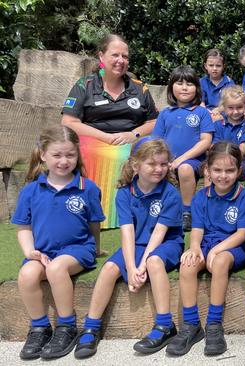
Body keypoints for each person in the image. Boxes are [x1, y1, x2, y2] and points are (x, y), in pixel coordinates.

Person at [74, 138, 184, 358]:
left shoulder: (170, 193)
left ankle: (165, 325)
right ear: (136, 165)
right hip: (136, 243)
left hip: (166, 244)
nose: (159, 169)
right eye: (152, 164)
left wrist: (140, 267)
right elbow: (127, 233)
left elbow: (159, 234)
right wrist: (131, 268)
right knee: (108, 270)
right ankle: (91, 327)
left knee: (153, 262)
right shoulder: (124, 192)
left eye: (163, 164)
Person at [13, 126, 104, 360]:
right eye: (57, 155)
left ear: (77, 155)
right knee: (27, 274)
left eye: (70, 155)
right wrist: (30, 251)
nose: (64, 161)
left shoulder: (87, 188)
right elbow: (23, 227)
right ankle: (39, 327)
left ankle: (66, 326)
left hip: (78, 250)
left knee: (56, 268)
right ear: (43, 154)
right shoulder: (31, 190)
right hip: (42, 251)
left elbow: (94, 224)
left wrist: (95, 247)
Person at [61, 33, 158, 231]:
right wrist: (104, 137)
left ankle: (133, 216)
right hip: (94, 141)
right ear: (101, 56)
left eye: (125, 56)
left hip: (130, 140)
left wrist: (134, 134)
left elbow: (155, 120)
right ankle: (93, 216)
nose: (121, 61)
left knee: (138, 155)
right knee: (94, 154)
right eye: (115, 55)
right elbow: (69, 121)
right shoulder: (84, 86)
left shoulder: (140, 88)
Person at [166, 142, 245, 356]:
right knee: (187, 264)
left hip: (233, 246)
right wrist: (195, 248)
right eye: (218, 170)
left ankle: (214, 323)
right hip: (207, 243)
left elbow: (242, 234)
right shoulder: (200, 197)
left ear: (239, 171)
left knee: (221, 261)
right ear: (207, 170)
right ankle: (191, 324)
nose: (223, 176)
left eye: (230, 170)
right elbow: (196, 230)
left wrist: (217, 250)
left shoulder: (243, 197)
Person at [152, 65, 214, 231]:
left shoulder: (201, 113)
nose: (185, 87)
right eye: (179, 83)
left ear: (197, 88)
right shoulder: (165, 113)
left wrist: (181, 159)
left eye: (189, 84)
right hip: (168, 161)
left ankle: (187, 212)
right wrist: (164, 161)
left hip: (194, 162)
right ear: (171, 87)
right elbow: (157, 141)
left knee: (185, 168)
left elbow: (206, 141)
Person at [199, 48, 235, 120]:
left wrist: (219, 109)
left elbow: (231, 102)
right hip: (206, 113)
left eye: (218, 66)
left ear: (223, 66)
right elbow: (201, 103)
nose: (214, 68)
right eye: (211, 65)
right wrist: (206, 113)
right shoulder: (202, 82)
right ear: (206, 66)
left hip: (224, 114)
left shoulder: (229, 82)